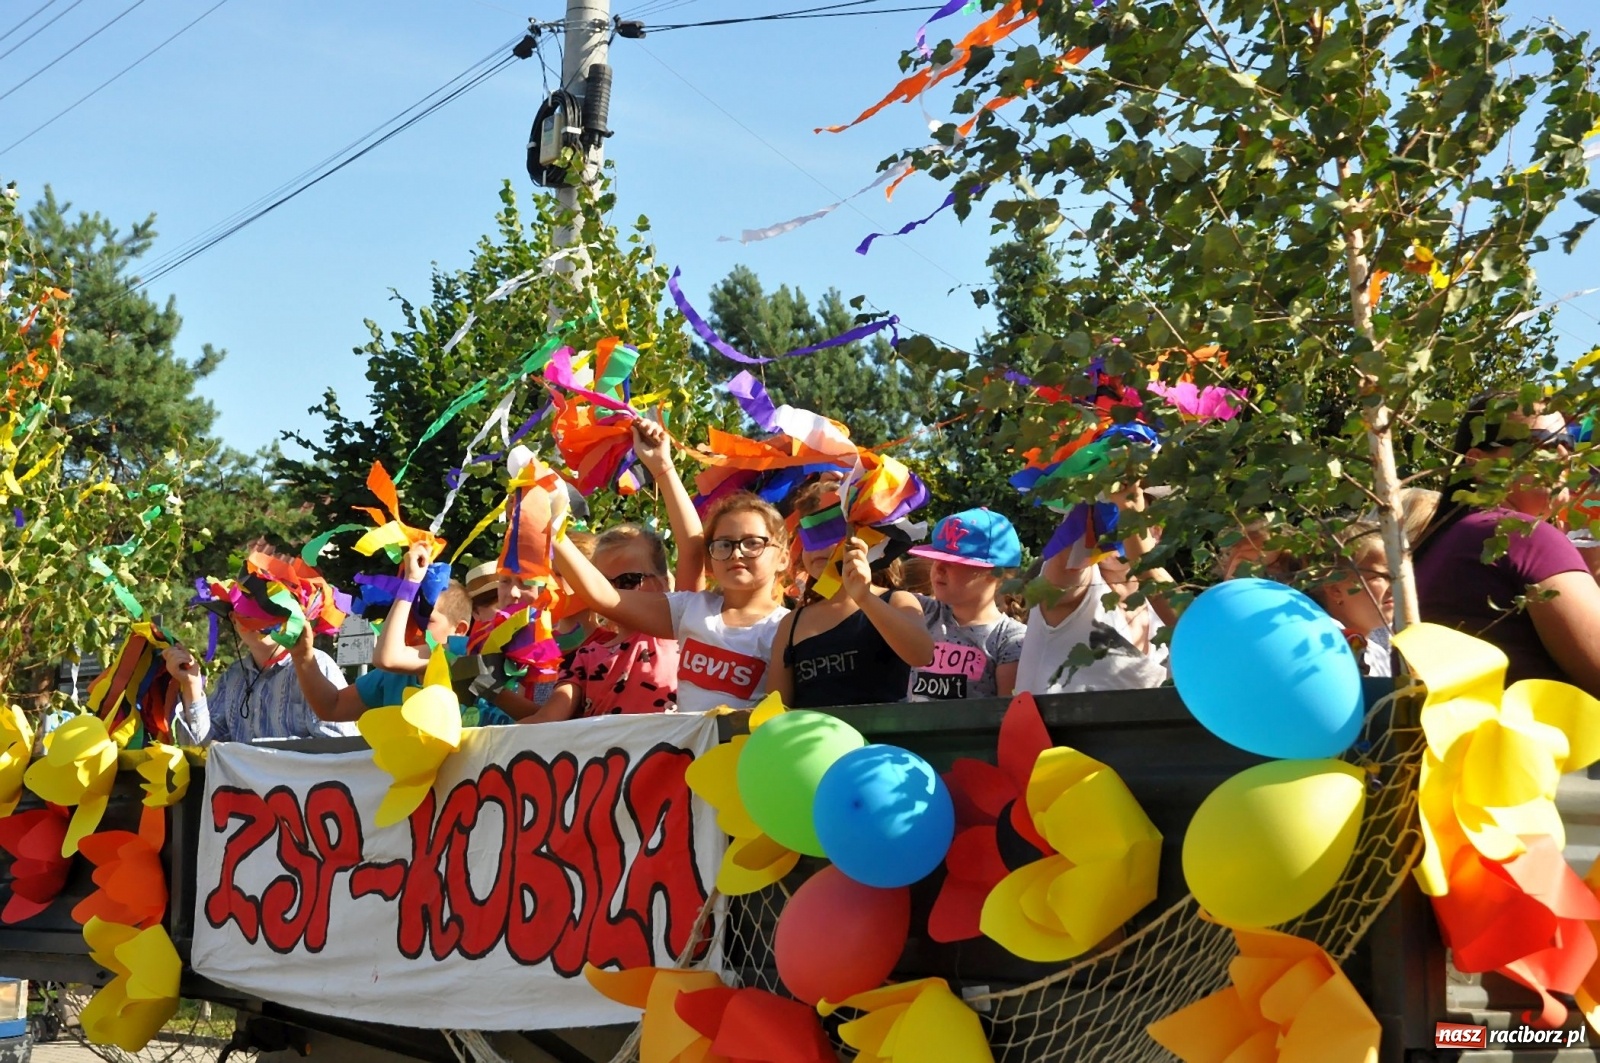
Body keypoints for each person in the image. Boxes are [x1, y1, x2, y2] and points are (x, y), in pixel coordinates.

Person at [1414, 396, 1600, 695]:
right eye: (1546, 444)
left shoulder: (1441, 542)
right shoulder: (1521, 536)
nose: (1566, 456)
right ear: (1479, 462)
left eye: (1569, 443)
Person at [557, 487, 788, 714]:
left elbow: (781, 714)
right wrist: (552, 521)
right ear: (710, 555)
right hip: (684, 751)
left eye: (752, 543)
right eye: (724, 544)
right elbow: (602, 596)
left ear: (783, 557)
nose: (737, 553)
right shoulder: (691, 609)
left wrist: (664, 467)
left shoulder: (788, 627)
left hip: (743, 749)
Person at [291, 542, 512, 724]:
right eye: (404, 616)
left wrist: (411, 583)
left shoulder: (462, 651)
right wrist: (303, 655)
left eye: (425, 619)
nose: (409, 627)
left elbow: (388, 656)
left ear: (460, 630)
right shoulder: (395, 675)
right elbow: (332, 707)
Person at [767, 485, 932, 708]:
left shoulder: (897, 601)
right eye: (810, 536)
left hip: (881, 739)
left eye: (831, 533)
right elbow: (776, 708)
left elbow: (921, 654)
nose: (819, 547)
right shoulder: (791, 624)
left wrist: (864, 597)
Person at [522, 523, 681, 722]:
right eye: (604, 584)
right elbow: (548, 719)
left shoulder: (681, 632)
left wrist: (549, 525)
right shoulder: (587, 655)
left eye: (628, 580)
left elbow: (691, 545)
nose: (613, 593)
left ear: (662, 583)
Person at [1014, 521, 1168, 696]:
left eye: (1126, 518)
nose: (1113, 529)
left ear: (1156, 532)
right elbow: (1068, 559)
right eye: (1108, 517)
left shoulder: (1163, 607)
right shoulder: (1077, 584)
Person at [164, 611, 357, 745]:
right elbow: (202, 749)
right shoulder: (233, 677)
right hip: (243, 799)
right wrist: (192, 686)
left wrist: (252, 754)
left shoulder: (317, 666)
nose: (258, 621)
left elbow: (338, 746)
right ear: (233, 619)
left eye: (269, 612)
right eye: (248, 613)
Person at [904, 508, 1027, 700]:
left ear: (995, 574)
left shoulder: (1010, 640)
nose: (939, 567)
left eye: (952, 561)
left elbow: (1006, 715)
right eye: (936, 558)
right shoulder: (921, 611)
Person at [1308, 522, 1393, 677]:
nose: (1393, 587)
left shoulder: (1379, 654)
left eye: (1394, 576)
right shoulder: (1320, 647)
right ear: (1335, 590)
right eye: (1379, 576)